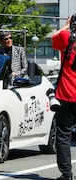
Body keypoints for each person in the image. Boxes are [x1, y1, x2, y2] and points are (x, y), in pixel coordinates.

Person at [51, 14, 76, 180]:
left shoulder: (67, 37)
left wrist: (66, 26)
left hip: (67, 94)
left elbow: (54, 37)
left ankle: (66, 174)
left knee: (63, 135)